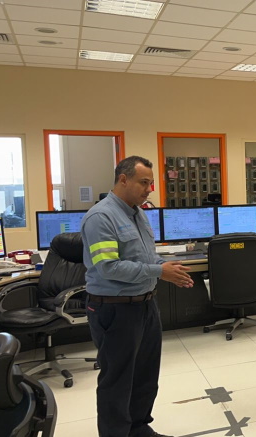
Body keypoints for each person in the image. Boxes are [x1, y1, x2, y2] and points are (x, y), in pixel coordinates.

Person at [81, 156, 194, 437]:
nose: (149, 189)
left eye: (151, 183)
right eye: (144, 182)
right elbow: (109, 268)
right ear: (123, 179)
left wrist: (166, 267)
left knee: (145, 375)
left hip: (145, 305)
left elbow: (145, 256)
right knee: (117, 380)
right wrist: (159, 271)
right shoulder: (101, 217)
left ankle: (138, 428)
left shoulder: (138, 213)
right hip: (115, 309)